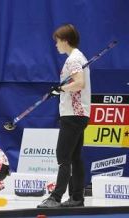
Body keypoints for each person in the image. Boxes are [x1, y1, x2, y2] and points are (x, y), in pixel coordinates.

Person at [37, 24, 91, 208]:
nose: (56, 45)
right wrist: (60, 90)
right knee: (74, 157)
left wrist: (60, 88)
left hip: (73, 114)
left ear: (65, 41)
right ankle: (76, 198)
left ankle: (56, 197)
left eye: (57, 41)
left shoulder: (73, 59)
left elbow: (79, 83)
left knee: (63, 156)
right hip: (79, 114)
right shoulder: (78, 57)